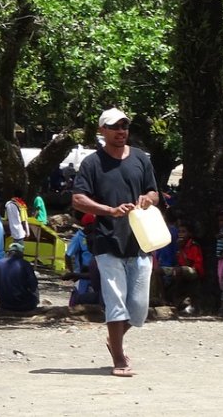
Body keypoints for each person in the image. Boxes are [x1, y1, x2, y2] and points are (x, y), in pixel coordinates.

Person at [71, 107, 160, 379]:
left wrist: (148, 199)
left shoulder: (140, 158)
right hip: (107, 241)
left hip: (140, 240)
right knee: (116, 302)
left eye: (124, 126)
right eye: (115, 127)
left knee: (139, 309)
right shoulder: (92, 163)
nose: (121, 131)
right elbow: (78, 199)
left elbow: (154, 192)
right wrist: (109, 210)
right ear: (103, 130)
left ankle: (114, 338)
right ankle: (119, 358)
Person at [165, 222, 204, 310]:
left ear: (189, 233)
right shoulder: (180, 244)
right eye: (179, 232)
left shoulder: (193, 245)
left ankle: (178, 298)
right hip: (181, 268)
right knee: (158, 271)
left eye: (183, 232)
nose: (181, 234)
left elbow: (188, 263)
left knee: (178, 271)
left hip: (194, 270)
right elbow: (179, 262)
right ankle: (164, 299)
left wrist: (180, 248)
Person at [0, 241, 40, 312]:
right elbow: (33, 284)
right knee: (35, 288)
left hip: (4, 304)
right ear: (21, 253)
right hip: (23, 305)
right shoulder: (25, 264)